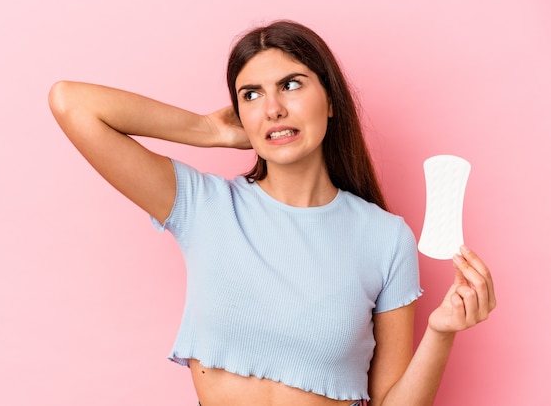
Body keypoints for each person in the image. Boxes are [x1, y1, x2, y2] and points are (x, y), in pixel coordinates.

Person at [48, 20, 496, 406]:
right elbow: (72, 102)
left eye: (292, 84)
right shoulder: (204, 207)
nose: (273, 108)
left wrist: (441, 332)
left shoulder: (385, 237)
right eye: (251, 94)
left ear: (332, 100)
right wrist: (205, 129)